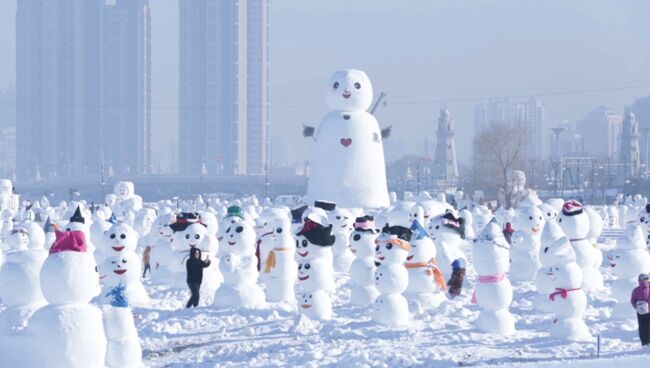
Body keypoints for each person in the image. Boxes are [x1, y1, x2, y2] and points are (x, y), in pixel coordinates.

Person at [631, 273, 650, 346]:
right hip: (642, 312)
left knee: (644, 327)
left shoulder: (636, 290)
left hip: (643, 312)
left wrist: (638, 308)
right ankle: (646, 342)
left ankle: (645, 342)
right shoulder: (636, 290)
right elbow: (633, 301)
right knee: (644, 327)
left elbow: (633, 301)